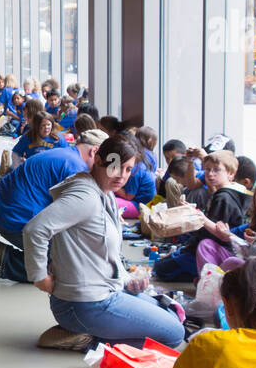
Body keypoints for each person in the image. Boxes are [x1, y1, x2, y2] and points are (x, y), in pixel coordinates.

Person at [23, 135, 186, 348]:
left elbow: (103, 253)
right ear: (98, 160)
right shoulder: (86, 197)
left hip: (101, 293)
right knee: (174, 334)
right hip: (83, 304)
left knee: (171, 315)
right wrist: (40, 277)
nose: (122, 176)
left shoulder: (104, 192)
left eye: (128, 169)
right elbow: (35, 229)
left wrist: (127, 279)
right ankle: (88, 340)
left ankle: (91, 332)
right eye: (116, 167)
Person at [0, 129, 106, 283]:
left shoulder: (65, 154)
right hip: (13, 217)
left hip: (2, 206)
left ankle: (3, 254)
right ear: (95, 151)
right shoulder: (76, 168)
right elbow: (73, 215)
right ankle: (4, 258)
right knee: (69, 267)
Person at [152, 151, 251, 281]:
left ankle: (198, 275)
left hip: (212, 250)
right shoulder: (224, 193)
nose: (210, 174)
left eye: (216, 170)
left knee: (160, 269)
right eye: (208, 169)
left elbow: (218, 232)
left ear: (230, 173)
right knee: (164, 262)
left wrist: (197, 215)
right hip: (203, 246)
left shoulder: (224, 198)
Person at [198, 178, 256, 273]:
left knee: (232, 262)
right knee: (206, 245)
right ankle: (209, 278)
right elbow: (223, 235)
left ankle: (218, 282)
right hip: (247, 263)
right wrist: (200, 216)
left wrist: (252, 242)